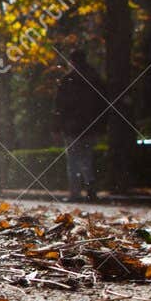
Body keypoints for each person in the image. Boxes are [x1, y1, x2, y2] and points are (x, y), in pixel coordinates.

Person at [54, 49, 107, 200]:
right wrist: (101, 126)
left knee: (73, 160)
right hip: (90, 125)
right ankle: (91, 189)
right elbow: (102, 104)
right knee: (87, 158)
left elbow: (59, 106)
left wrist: (57, 127)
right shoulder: (95, 79)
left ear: (71, 61)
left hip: (72, 126)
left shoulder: (68, 80)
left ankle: (75, 192)